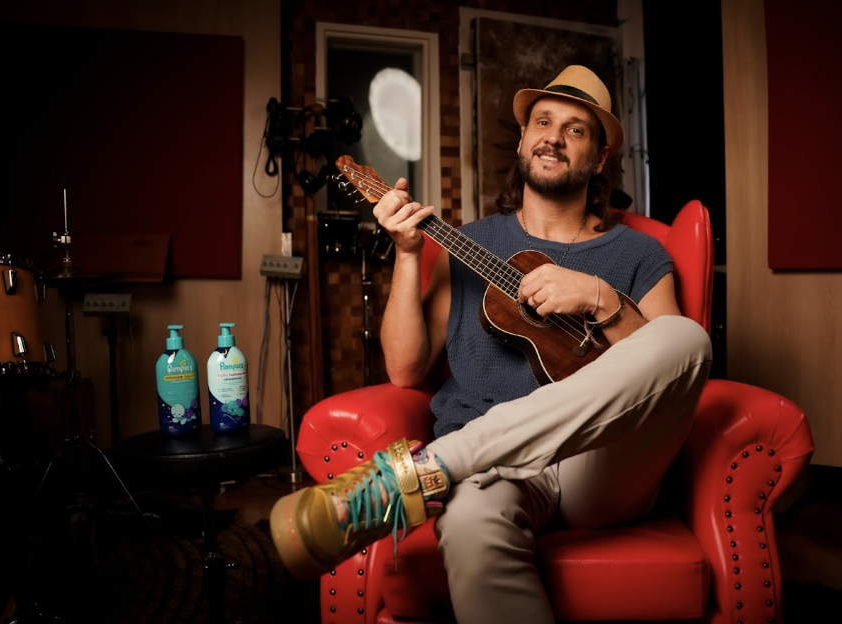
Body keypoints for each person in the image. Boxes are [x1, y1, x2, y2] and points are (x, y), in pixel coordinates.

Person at [270, 65, 712, 623]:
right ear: (524, 139)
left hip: (598, 469)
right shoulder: (467, 244)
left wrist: (601, 299)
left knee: (686, 337)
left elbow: (674, 370)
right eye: (542, 122)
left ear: (600, 157)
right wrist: (407, 254)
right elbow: (404, 370)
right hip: (491, 473)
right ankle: (441, 468)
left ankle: (420, 472)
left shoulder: (640, 253)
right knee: (470, 520)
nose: (553, 137)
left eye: (575, 129)